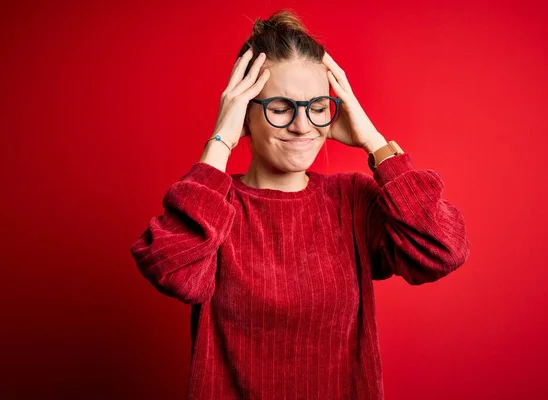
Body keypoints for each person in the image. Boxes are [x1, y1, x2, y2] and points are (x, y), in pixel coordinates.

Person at [130, 9, 470, 400]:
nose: (303, 126)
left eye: (317, 107)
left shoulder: (352, 201)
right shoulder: (217, 206)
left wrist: (374, 141)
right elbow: (171, 266)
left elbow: (442, 249)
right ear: (244, 114)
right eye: (279, 108)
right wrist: (220, 139)